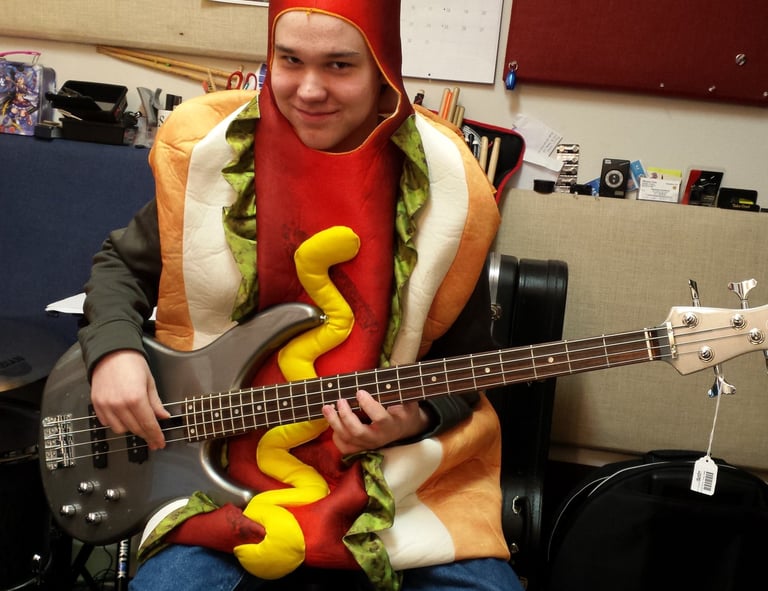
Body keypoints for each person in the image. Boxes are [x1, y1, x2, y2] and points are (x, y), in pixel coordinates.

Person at [78, 1, 524, 590]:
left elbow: (467, 367)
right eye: (289, 60)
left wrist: (410, 418)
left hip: (393, 486)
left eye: (340, 65)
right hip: (211, 476)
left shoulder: (447, 189)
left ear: (384, 71)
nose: (309, 89)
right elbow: (120, 266)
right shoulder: (213, 154)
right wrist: (113, 353)